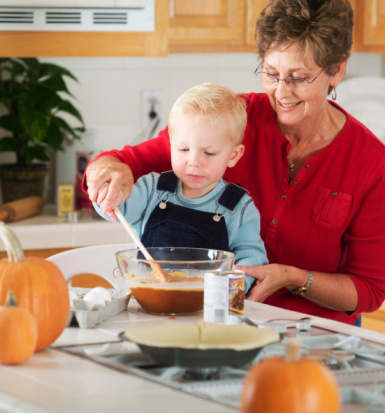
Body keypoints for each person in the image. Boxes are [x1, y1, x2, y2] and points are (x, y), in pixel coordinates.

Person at [84, 0, 385, 326]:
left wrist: (292, 278)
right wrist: (110, 171)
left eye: (299, 78)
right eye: (271, 73)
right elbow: (118, 163)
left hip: (317, 335)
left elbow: (370, 288)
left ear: (337, 71)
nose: (281, 92)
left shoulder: (369, 162)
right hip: (223, 323)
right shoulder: (233, 119)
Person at [92, 83, 268, 294]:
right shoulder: (151, 190)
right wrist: (107, 195)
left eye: (209, 153)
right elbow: (116, 208)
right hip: (148, 302)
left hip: (207, 308)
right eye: (183, 149)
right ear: (171, 145)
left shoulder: (239, 207)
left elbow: (251, 261)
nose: (193, 162)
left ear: (233, 156)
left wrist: (232, 288)